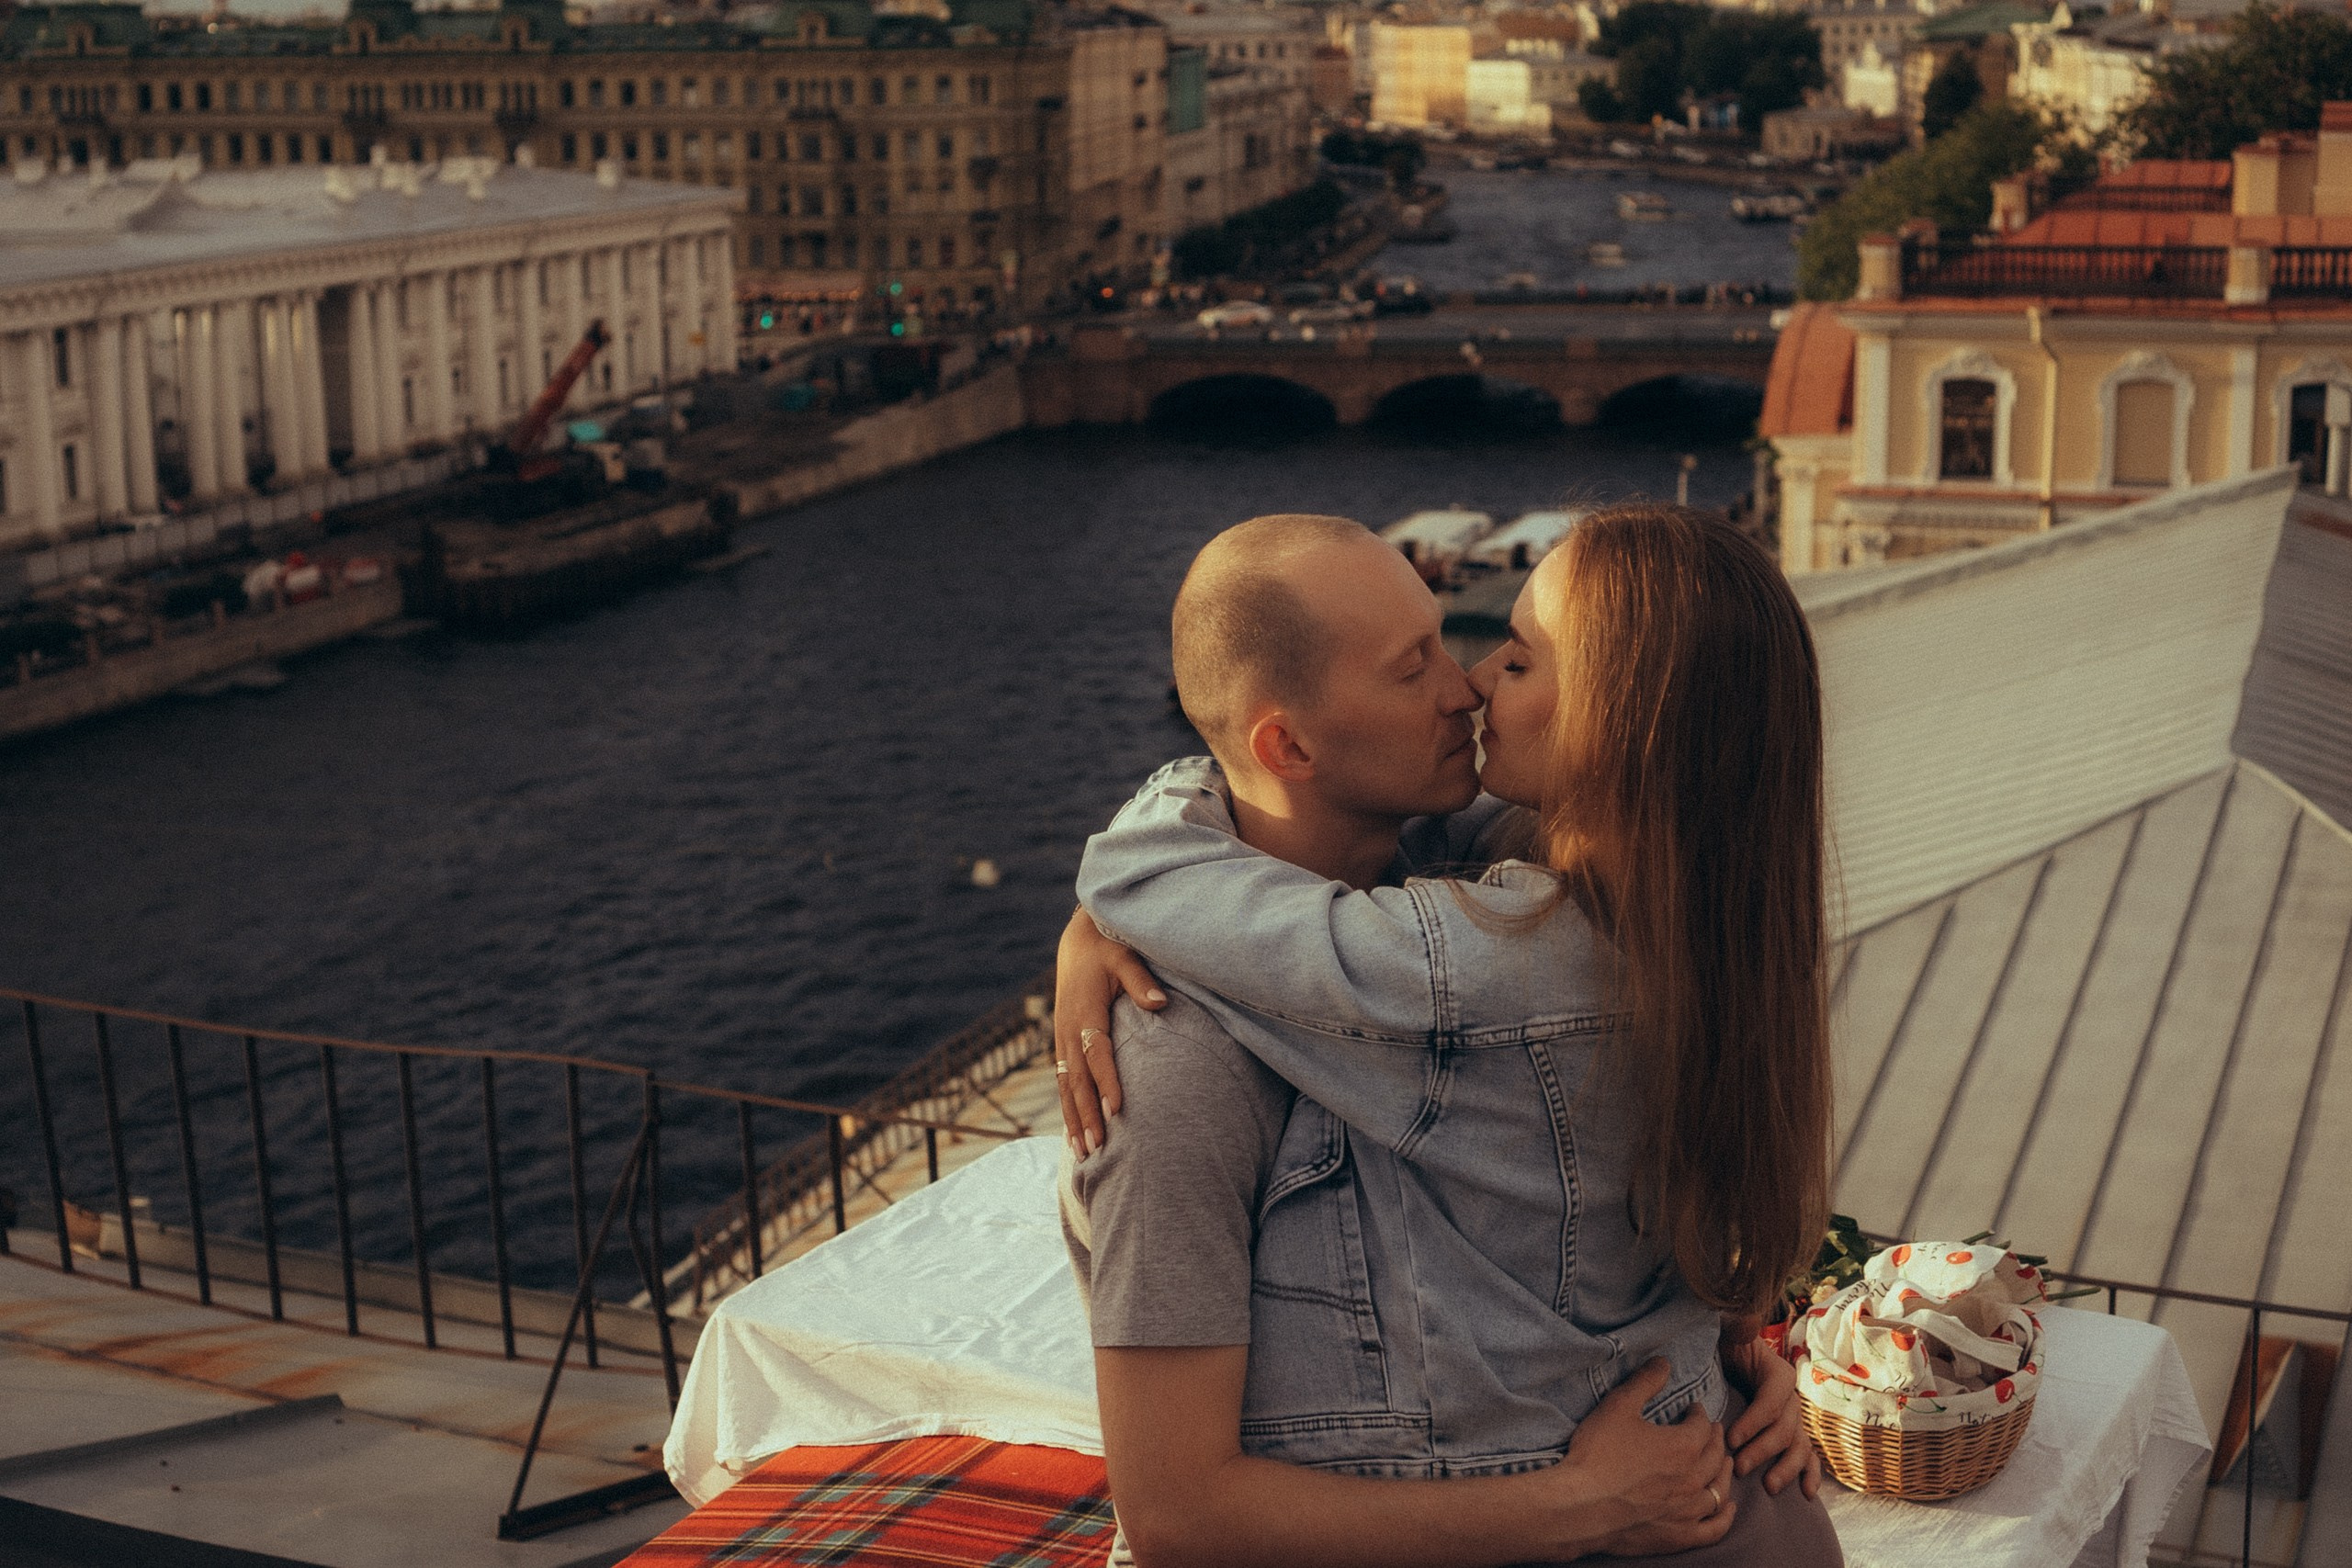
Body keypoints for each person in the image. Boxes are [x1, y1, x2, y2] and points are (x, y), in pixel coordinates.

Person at [1054, 511, 1839, 1566]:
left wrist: (1109, 898)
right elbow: (1177, 1515)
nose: (1469, 686)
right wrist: (1634, 1448)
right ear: (1287, 743)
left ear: (1616, 725)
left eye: (1503, 656)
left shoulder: (1481, 930)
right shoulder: (1173, 1054)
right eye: (1414, 664)